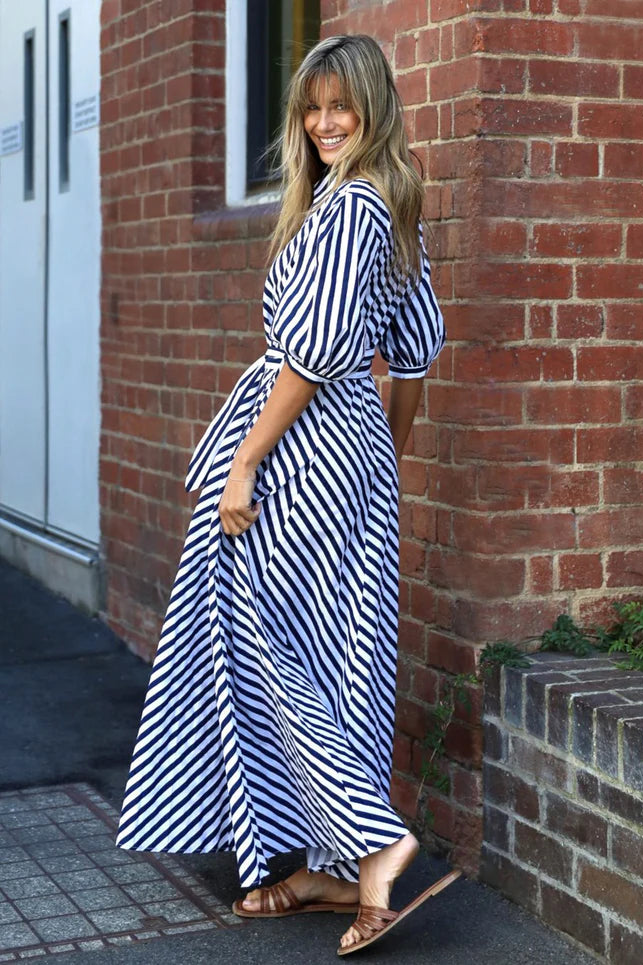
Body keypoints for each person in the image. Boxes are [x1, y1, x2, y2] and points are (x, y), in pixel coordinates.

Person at [115, 33, 458, 956]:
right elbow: (416, 355)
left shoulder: (351, 211)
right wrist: (379, 452)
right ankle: (331, 866)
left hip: (299, 448)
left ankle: (378, 844)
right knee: (337, 652)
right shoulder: (394, 210)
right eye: (312, 108)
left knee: (266, 643)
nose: (324, 123)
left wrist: (244, 462)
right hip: (350, 454)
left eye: (341, 104)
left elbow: (306, 359)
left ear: (374, 105)